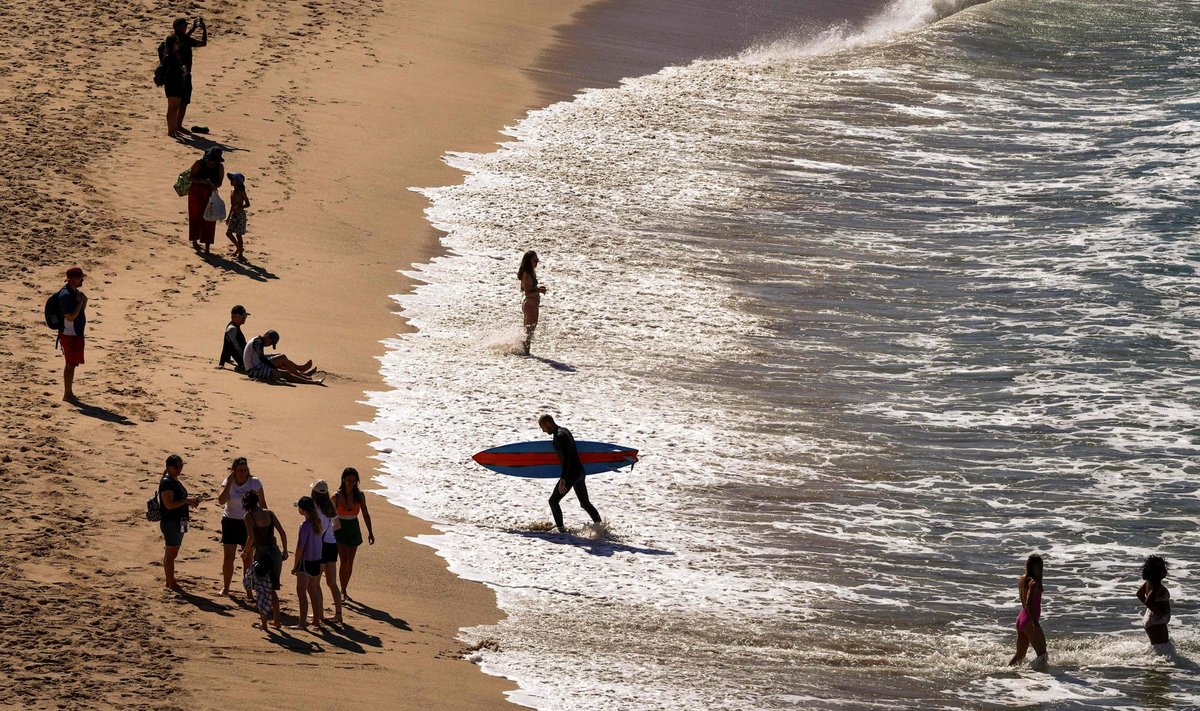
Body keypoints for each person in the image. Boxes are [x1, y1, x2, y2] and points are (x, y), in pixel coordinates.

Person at [538, 415, 602, 533]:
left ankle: (561, 531)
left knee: (553, 501)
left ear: (548, 424)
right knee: (584, 503)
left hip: (570, 474)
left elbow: (567, 459)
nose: (543, 430)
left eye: (543, 427)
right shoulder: (565, 431)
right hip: (580, 472)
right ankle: (601, 527)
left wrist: (563, 479)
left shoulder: (559, 437)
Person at [216, 457, 265, 597]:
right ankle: (226, 587)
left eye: (245, 470)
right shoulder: (228, 482)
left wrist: (263, 524)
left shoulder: (254, 483)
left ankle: (248, 589)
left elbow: (263, 504)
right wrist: (230, 482)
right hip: (230, 521)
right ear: (234, 471)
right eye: (239, 470)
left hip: (249, 523)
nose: (243, 473)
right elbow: (220, 500)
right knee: (228, 558)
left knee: (248, 559)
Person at [243, 490, 288, 630]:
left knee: (261, 589)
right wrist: (285, 551)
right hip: (275, 554)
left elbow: (251, 537)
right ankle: (277, 620)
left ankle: (264, 624)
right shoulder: (269, 513)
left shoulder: (249, 517)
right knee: (273, 587)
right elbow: (282, 532)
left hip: (262, 555)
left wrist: (245, 552)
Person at [158, 454, 201, 591]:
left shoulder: (172, 479)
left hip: (180, 521)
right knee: (171, 552)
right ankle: (171, 582)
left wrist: (189, 501)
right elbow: (169, 505)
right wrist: (187, 501)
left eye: (180, 466)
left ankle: (169, 580)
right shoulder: (167, 482)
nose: (178, 469)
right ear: (168, 467)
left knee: (173, 551)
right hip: (171, 522)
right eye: (175, 467)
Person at [334, 467, 375, 601]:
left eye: (354, 480)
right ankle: (342, 590)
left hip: (353, 527)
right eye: (348, 480)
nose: (351, 482)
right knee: (343, 560)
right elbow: (329, 515)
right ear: (343, 480)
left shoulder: (360, 495)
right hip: (340, 528)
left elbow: (365, 514)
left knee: (350, 562)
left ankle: (344, 589)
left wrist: (370, 532)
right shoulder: (336, 496)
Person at [311, 480, 343, 623]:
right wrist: (329, 531)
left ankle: (319, 613)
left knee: (316, 582)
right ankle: (338, 614)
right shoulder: (330, 507)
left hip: (321, 546)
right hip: (332, 544)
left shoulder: (315, 509)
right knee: (332, 582)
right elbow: (338, 525)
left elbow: (317, 529)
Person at [292, 496, 325, 631]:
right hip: (316, 561)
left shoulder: (305, 526)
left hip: (306, 561)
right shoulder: (318, 522)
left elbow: (300, 547)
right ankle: (316, 620)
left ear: (302, 510)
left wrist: (295, 565)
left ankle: (302, 622)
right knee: (313, 590)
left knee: (301, 592)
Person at [1009, 553, 1048, 667]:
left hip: (1021, 619)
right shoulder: (1034, 583)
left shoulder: (1023, 579)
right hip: (1030, 621)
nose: (1041, 569)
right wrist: (1035, 622)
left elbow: (1024, 602)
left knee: (1020, 655)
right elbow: (1028, 602)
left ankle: (1007, 673)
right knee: (1043, 655)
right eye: (1040, 566)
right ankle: (1037, 678)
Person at [242, 329, 323, 384]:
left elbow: (259, 357)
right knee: (285, 372)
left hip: (254, 367)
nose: (269, 345)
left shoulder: (257, 340)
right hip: (254, 371)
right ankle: (308, 380)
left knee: (282, 359)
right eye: (271, 343)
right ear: (267, 337)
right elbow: (261, 357)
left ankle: (301, 373)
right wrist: (274, 368)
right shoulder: (258, 342)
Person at [169, 17, 207, 132]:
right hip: (185, 74)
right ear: (181, 28)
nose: (186, 26)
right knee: (184, 101)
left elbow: (185, 38)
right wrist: (204, 29)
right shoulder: (185, 39)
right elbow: (203, 43)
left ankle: (173, 127)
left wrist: (193, 29)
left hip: (172, 74)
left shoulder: (172, 38)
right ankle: (178, 126)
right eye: (185, 25)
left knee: (173, 103)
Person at [57, 266, 88, 403]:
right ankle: (67, 394)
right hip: (70, 334)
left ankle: (69, 393)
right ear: (71, 280)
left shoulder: (74, 292)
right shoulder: (66, 295)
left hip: (76, 333)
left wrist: (83, 301)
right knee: (70, 364)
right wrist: (80, 302)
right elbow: (70, 317)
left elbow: (80, 311)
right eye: (79, 278)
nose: (82, 280)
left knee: (72, 364)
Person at [188, 147, 224, 253]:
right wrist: (203, 181)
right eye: (211, 160)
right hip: (196, 192)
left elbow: (219, 183)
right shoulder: (199, 162)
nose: (212, 163)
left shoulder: (220, 167)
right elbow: (190, 177)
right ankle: (194, 241)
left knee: (210, 219)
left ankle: (207, 246)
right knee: (195, 216)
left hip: (210, 194)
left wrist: (213, 185)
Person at [1137, 555, 1171, 647]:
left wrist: (1154, 610)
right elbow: (1149, 601)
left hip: (1152, 619)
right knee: (1164, 649)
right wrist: (1159, 613)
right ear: (1158, 572)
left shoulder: (1148, 583)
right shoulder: (1157, 587)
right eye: (1164, 569)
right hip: (1156, 621)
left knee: (1161, 648)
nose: (1166, 571)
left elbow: (1139, 594)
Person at [518, 250, 547, 355]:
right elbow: (528, 291)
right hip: (530, 304)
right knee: (529, 332)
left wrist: (538, 289)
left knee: (529, 331)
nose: (537, 262)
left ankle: (524, 352)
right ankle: (525, 354)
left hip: (531, 303)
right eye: (535, 260)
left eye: (537, 260)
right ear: (528, 261)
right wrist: (539, 290)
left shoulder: (530, 272)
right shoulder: (526, 274)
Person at [159, 35, 189, 137]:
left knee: (175, 107)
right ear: (172, 44)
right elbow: (166, 71)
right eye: (177, 43)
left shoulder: (175, 55)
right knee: (172, 108)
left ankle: (173, 129)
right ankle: (170, 131)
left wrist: (182, 71)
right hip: (171, 84)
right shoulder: (168, 56)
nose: (178, 45)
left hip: (178, 83)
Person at [225, 173, 250, 259]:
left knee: (239, 235)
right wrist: (228, 217)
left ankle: (240, 254)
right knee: (229, 233)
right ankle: (239, 248)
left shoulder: (241, 192)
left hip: (240, 215)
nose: (231, 181)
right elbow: (232, 206)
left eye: (233, 180)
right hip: (234, 214)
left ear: (238, 182)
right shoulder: (232, 192)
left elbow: (248, 204)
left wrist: (240, 207)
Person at [219, 305, 249, 371]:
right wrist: (221, 363)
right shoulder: (232, 329)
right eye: (242, 316)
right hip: (245, 362)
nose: (244, 318)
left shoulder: (235, 326)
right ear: (233, 317)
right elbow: (228, 346)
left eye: (245, 316)